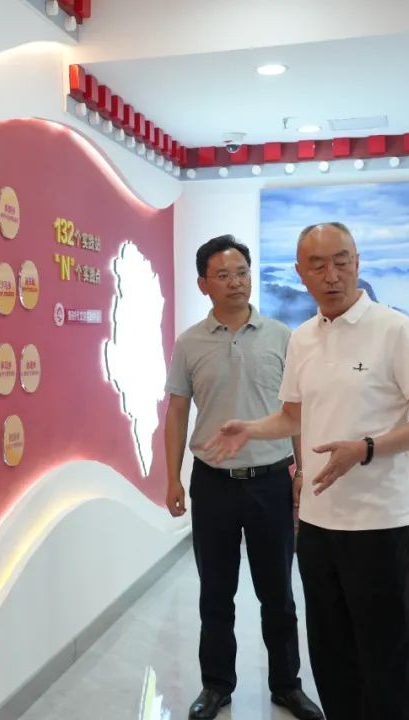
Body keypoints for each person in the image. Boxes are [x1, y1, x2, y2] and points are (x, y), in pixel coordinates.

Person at [207, 222, 409, 720]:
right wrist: (250, 428)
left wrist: (366, 448)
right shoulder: (303, 338)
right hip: (316, 524)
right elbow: (293, 416)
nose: (331, 275)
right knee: (332, 655)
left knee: (385, 656)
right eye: (318, 265)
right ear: (300, 272)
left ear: (358, 263)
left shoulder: (394, 329)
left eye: (341, 261)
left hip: (378, 522)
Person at [164, 235, 323, 720]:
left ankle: (287, 685)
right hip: (212, 483)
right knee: (216, 593)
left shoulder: (281, 336)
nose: (236, 283)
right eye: (223, 275)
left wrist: (302, 471)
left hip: (270, 481)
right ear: (203, 284)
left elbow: (297, 413)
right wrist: (172, 478)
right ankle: (216, 686)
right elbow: (176, 413)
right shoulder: (189, 343)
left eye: (242, 273)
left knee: (278, 594)